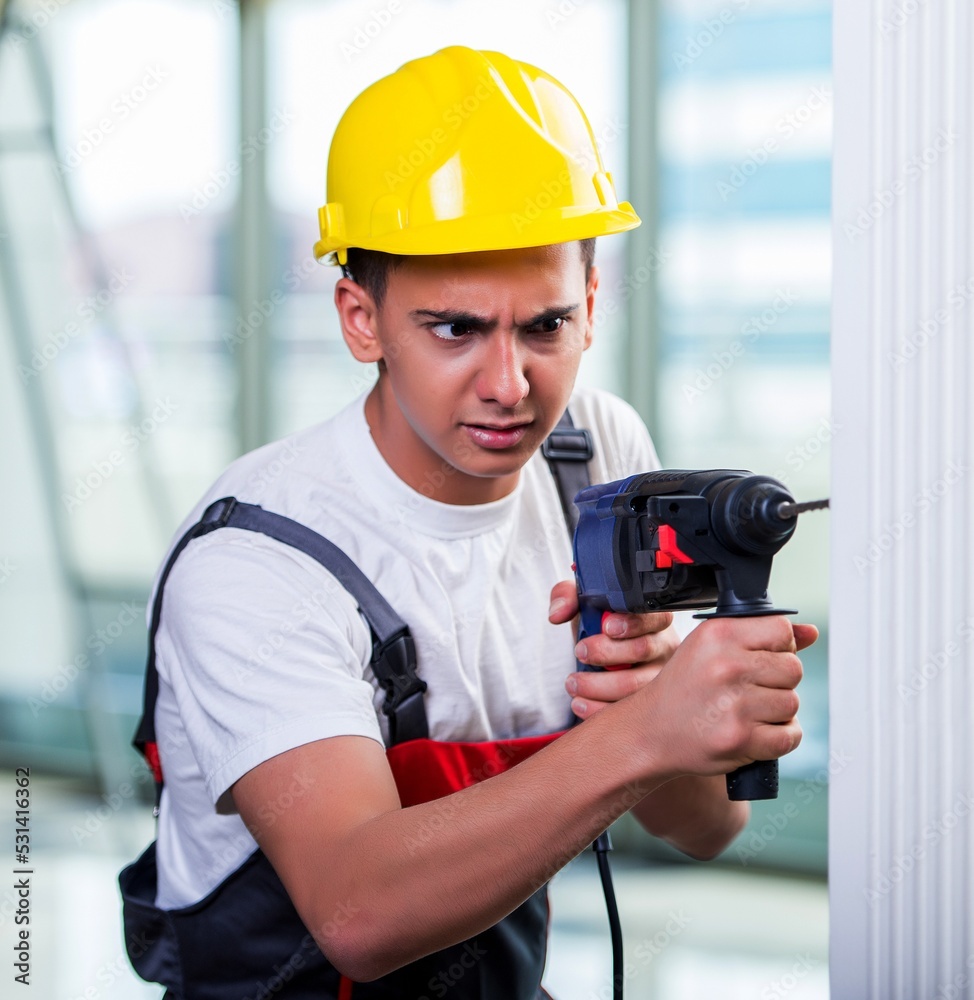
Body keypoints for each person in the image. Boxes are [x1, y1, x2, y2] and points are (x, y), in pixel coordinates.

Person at [120, 46, 815, 999]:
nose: (509, 387)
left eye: (544, 326)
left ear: (592, 303)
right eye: (455, 329)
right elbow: (358, 917)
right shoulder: (257, 558)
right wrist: (646, 732)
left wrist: (685, 707)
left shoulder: (594, 457)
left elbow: (703, 829)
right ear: (360, 318)